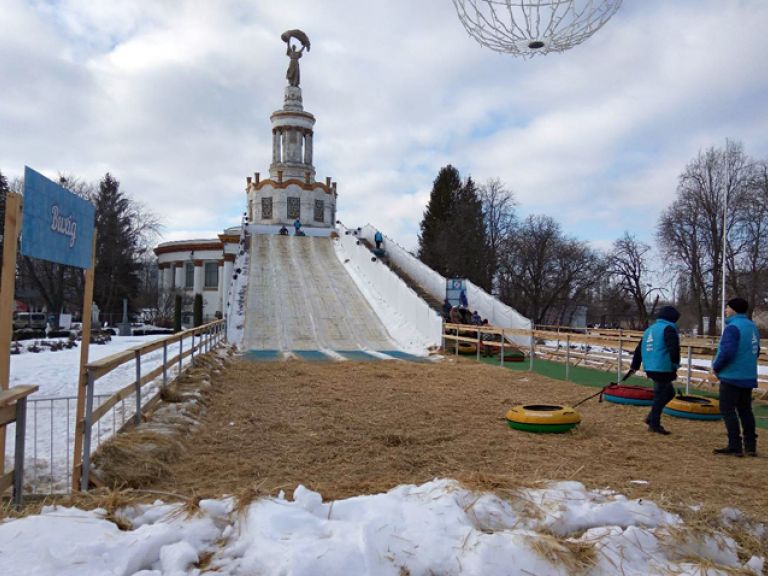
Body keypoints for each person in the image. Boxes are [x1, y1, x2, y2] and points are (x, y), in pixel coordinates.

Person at [712, 297, 760, 457]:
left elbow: (727, 352)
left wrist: (716, 367)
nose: (725, 310)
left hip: (732, 375)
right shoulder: (752, 327)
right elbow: (756, 350)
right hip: (748, 375)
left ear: (733, 309)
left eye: (727, 308)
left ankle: (735, 444)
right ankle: (751, 445)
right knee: (745, 410)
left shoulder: (732, 328)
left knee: (727, 410)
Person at [628, 306, 681, 435]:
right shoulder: (669, 329)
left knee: (669, 393)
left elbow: (639, 349)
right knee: (661, 396)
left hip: (651, 367)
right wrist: (675, 364)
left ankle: (651, 418)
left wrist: (634, 365)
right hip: (663, 367)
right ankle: (654, 424)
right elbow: (674, 349)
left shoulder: (649, 330)